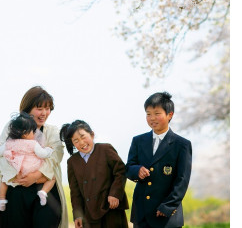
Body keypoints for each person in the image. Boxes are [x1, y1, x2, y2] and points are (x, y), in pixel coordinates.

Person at [0, 86, 69, 228]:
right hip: (16, 186)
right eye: (39, 108)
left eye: (48, 108)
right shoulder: (12, 126)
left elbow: (56, 155)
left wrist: (37, 176)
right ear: (28, 108)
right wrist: (21, 175)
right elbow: (3, 151)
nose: (44, 113)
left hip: (45, 188)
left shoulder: (52, 131)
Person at [125, 92, 192, 228]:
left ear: (170, 115)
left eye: (157, 113)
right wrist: (136, 171)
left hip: (166, 216)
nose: (152, 118)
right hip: (141, 214)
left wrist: (167, 207)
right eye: (148, 114)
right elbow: (128, 167)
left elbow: (182, 180)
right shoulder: (138, 140)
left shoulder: (182, 144)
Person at [60, 120, 129, 228]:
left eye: (83, 137)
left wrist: (115, 194)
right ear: (72, 143)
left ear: (92, 134)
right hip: (89, 214)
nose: (81, 143)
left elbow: (120, 171)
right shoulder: (72, 161)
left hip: (111, 208)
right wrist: (77, 215)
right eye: (76, 140)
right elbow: (75, 191)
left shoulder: (105, 149)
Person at [0, 112, 56, 211]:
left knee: (4, 180)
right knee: (51, 178)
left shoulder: (9, 143)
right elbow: (43, 154)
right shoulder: (33, 144)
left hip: (16, 170)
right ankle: (43, 192)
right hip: (31, 169)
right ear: (26, 133)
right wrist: (49, 150)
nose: (34, 133)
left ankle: (2, 199)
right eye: (33, 131)